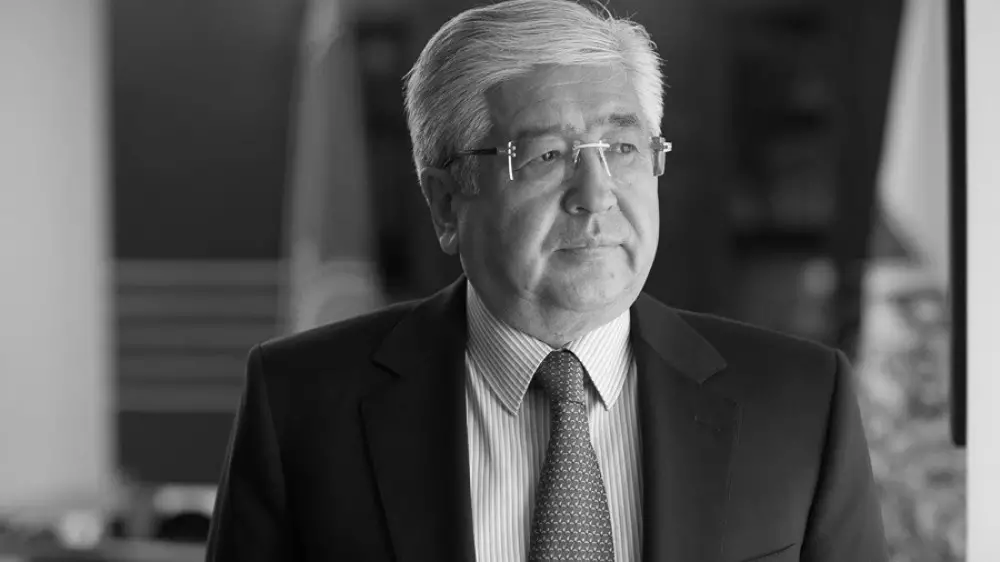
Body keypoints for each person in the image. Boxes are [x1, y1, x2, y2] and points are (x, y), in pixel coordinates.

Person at [205, 1, 887, 560]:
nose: (596, 195)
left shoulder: (801, 403)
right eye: (546, 155)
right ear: (446, 203)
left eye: (623, 148)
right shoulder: (301, 404)